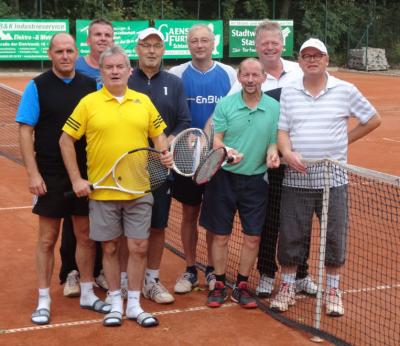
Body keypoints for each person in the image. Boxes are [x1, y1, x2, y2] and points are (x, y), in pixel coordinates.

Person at [60, 45, 172, 327]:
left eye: (120, 67)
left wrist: (164, 152)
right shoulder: (89, 103)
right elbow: (65, 140)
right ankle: (114, 302)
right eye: (109, 67)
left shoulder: (143, 101)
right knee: (109, 248)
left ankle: (133, 304)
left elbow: (159, 136)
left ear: (128, 70)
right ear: (101, 71)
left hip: (138, 190)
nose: (114, 71)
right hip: (103, 192)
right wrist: (76, 179)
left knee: (138, 246)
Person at [269, 38, 381, 316]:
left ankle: (332, 289)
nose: (311, 60)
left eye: (317, 55)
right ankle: (287, 287)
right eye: (306, 56)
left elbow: (373, 119)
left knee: (334, 238)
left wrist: (344, 142)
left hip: (335, 181)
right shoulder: (290, 91)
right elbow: (282, 131)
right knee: (291, 236)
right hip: (296, 179)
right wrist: (286, 152)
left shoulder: (345, 90)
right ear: (301, 61)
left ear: (326, 59)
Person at [16, 33, 109, 326]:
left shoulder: (91, 85)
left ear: (76, 52)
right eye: (59, 51)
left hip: (84, 174)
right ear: (50, 53)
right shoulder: (37, 86)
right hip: (50, 175)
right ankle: (43, 298)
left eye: (70, 50)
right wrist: (32, 173)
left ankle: (86, 291)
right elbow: (24, 131)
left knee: (85, 235)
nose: (65, 55)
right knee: (47, 239)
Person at [229, 20, 316, 298]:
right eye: (264, 43)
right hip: (267, 163)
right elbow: (228, 112)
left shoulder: (298, 72)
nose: (269, 47)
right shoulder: (247, 76)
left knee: (300, 221)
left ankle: (301, 273)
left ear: (282, 44)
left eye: (274, 42)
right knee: (270, 220)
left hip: (298, 160)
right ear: (256, 46)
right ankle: (267, 273)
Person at [199, 58, 280, 309]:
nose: (251, 80)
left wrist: (272, 151)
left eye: (256, 75)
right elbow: (217, 139)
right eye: (246, 75)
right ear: (239, 77)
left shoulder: (275, 107)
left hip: (256, 181)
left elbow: (274, 138)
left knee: (253, 238)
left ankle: (242, 284)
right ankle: (220, 282)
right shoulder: (226, 104)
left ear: (264, 77)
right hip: (223, 179)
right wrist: (228, 152)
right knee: (220, 236)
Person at [169, 23, 237, 293]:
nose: (199, 45)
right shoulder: (176, 74)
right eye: (194, 41)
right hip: (186, 158)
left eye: (204, 40)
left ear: (213, 43)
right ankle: (189, 269)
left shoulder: (229, 73)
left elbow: (235, 110)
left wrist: (220, 146)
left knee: (214, 217)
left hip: (219, 157)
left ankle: (211, 269)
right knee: (189, 213)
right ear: (188, 44)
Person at [127, 28, 191, 304]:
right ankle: (123, 281)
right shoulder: (125, 81)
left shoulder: (174, 83)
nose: (151, 50)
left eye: (156, 45)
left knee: (157, 226)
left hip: (160, 167)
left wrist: (165, 147)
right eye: (146, 45)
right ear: (137, 49)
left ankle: (151, 280)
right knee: (123, 226)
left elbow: (183, 122)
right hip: (128, 167)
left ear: (163, 50)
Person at [60, 18, 114, 297]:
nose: (102, 39)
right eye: (97, 35)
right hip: (75, 154)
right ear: (88, 39)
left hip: (103, 156)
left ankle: (100, 272)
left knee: (102, 218)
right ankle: (71, 271)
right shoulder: (76, 67)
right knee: (75, 219)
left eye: (107, 34)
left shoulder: (116, 68)